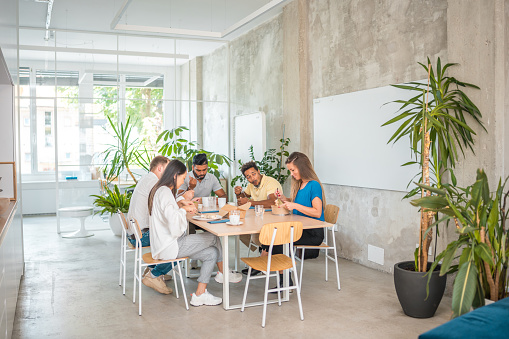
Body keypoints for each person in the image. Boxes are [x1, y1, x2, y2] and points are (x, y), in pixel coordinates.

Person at [146, 159, 242, 306]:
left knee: (212, 254)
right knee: (213, 236)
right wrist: (184, 210)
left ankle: (200, 294)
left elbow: (168, 212)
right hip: (170, 246)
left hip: (166, 244)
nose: (183, 181)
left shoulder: (161, 190)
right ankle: (223, 273)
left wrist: (181, 204)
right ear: (174, 176)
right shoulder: (164, 192)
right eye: (183, 178)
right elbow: (174, 225)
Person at [128, 156, 193, 293]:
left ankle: (153, 269)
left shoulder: (147, 179)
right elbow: (167, 203)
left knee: (173, 234)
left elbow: (166, 205)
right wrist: (183, 201)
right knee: (177, 239)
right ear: (160, 168)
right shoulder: (154, 182)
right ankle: (155, 273)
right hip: (141, 236)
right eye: (168, 168)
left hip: (135, 233)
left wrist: (181, 202)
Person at [266, 152, 326, 287]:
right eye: (290, 171)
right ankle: (285, 280)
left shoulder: (313, 185)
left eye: (293, 170)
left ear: (302, 167)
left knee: (278, 240)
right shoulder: (300, 185)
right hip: (300, 228)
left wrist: (294, 205)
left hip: (313, 232)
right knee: (274, 238)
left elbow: (317, 212)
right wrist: (284, 199)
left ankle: (285, 282)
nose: (291, 174)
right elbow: (300, 203)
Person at [234, 161, 282, 273]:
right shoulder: (251, 185)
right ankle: (262, 254)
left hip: (275, 220)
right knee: (241, 231)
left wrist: (250, 202)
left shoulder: (270, 183)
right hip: (260, 219)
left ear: (259, 171)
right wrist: (238, 194)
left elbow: (272, 201)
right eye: (248, 177)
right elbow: (244, 198)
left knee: (262, 235)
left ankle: (262, 260)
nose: (252, 178)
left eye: (253, 174)